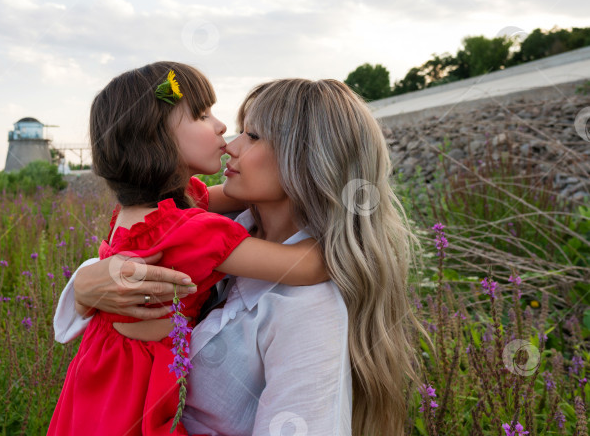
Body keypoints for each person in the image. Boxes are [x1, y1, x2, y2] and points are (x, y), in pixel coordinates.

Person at [55, 78, 428, 435]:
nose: (231, 145)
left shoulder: (307, 307)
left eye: (252, 135)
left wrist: (347, 232)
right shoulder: (213, 229)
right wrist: (85, 286)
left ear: (304, 160)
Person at [46, 63, 329, 436]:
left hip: (98, 370)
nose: (221, 127)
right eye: (200, 115)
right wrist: (345, 219)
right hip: (136, 382)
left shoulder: (145, 212)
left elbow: (225, 198)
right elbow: (306, 266)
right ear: (157, 139)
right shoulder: (193, 231)